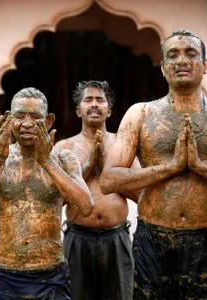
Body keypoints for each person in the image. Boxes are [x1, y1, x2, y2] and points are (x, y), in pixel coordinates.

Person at [100, 29, 207, 299]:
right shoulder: (141, 114)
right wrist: (171, 167)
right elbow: (110, 180)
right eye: (173, 55)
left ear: (205, 65)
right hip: (153, 238)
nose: (182, 60)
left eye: (191, 54)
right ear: (163, 67)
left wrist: (202, 168)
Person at [0, 87, 94, 300]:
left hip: (51, 272)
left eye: (36, 117)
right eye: (20, 116)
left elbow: (86, 206)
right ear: (10, 120)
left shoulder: (64, 158)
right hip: (6, 271)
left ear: (49, 121)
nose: (27, 124)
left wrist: (47, 161)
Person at [56, 80, 139, 300]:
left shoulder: (124, 146)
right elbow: (56, 199)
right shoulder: (64, 148)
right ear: (78, 110)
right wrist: (87, 168)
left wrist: (108, 175)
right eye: (88, 99)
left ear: (109, 110)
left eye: (100, 100)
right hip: (77, 238)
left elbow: (142, 195)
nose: (94, 104)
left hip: (116, 237)